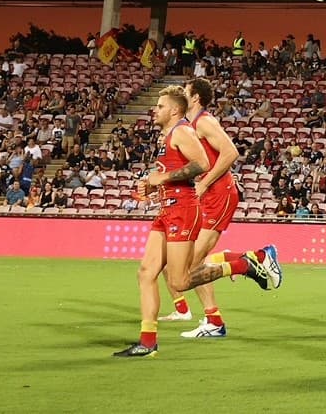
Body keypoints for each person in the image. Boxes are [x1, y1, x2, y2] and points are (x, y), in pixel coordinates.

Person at [112, 89, 279, 357]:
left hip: (182, 209)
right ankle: (147, 342)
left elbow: (201, 163)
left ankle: (243, 265)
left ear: (174, 110)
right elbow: (173, 173)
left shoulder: (183, 131)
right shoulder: (169, 134)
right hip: (167, 207)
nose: (155, 109)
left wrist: (163, 180)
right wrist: (153, 187)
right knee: (146, 272)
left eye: (160, 105)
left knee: (179, 281)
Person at [159, 76, 263, 337]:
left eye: (186, 91)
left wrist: (205, 183)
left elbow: (231, 153)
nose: (181, 93)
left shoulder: (204, 121)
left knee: (191, 264)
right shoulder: (189, 125)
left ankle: (216, 317)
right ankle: (245, 260)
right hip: (207, 196)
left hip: (218, 194)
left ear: (194, 98)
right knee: (185, 262)